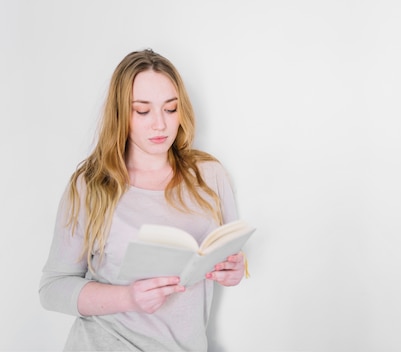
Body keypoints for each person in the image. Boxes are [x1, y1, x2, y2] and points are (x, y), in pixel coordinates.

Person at [39, 49, 247, 351]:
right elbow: (52, 288)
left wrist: (235, 270)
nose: (160, 124)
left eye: (171, 109)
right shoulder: (91, 184)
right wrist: (128, 298)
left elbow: (230, 255)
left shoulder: (209, 175)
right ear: (121, 114)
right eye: (143, 111)